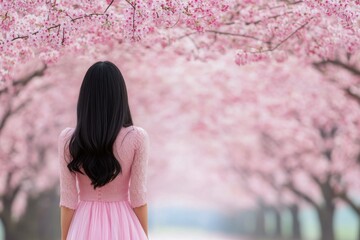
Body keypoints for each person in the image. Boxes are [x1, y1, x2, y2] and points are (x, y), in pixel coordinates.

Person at [58, 61, 149, 240]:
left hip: (83, 225)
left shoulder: (69, 139)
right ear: (120, 96)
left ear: (85, 97)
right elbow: (138, 199)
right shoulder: (137, 137)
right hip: (123, 224)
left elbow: (68, 202)